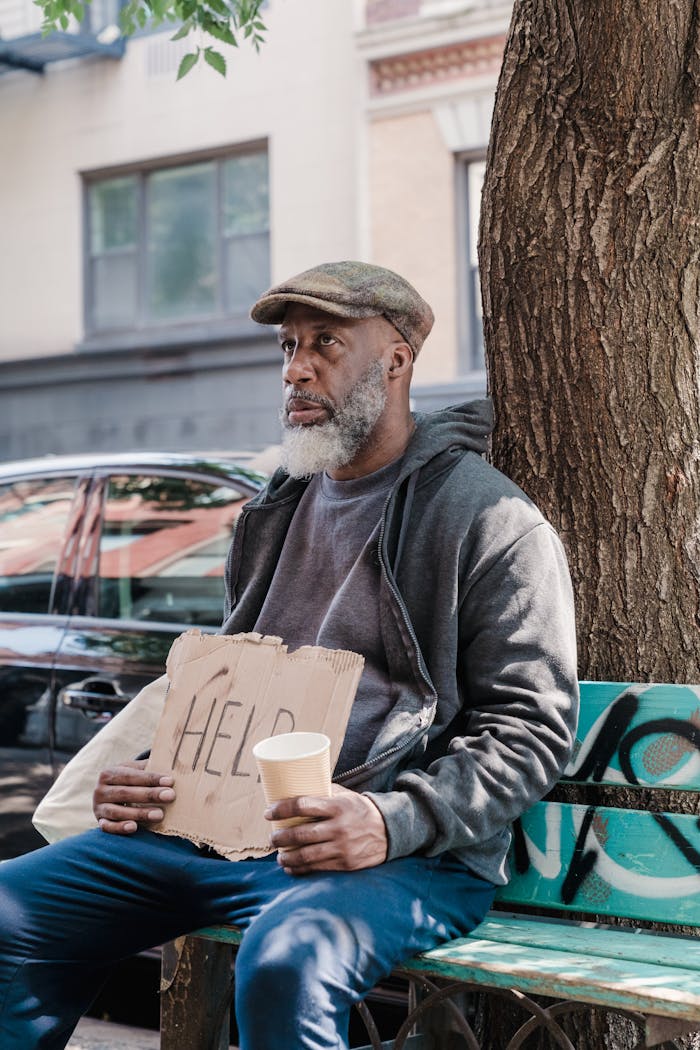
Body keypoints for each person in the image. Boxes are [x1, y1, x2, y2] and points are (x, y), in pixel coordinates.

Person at [0, 261, 579, 1050]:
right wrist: (149, 768)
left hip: (397, 854)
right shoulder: (274, 509)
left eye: (326, 344)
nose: (296, 368)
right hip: (211, 831)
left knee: (284, 962)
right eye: (288, 346)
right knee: (9, 914)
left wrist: (390, 818)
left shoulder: (489, 519)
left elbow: (531, 730)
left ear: (397, 359)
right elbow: (232, 678)